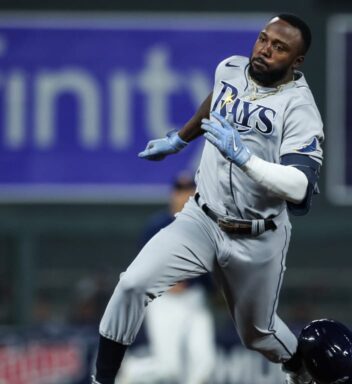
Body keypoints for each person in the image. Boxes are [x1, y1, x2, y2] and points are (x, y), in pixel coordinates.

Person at [92, 13, 323, 384]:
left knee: (257, 335)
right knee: (132, 284)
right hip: (201, 219)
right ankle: (101, 380)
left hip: (257, 236)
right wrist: (180, 138)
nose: (265, 49)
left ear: (296, 61)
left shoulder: (300, 109)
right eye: (264, 39)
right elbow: (219, 98)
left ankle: (298, 368)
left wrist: (246, 159)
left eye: (279, 48)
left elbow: (299, 186)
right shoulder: (231, 68)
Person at [117, 173, 216, 384]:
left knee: (205, 364)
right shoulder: (156, 226)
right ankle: (132, 369)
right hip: (163, 300)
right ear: (173, 194)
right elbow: (141, 267)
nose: (185, 195)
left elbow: (209, 270)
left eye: (190, 190)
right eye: (181, 191)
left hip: (194, 299)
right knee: (169, 368)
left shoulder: (205, 225)